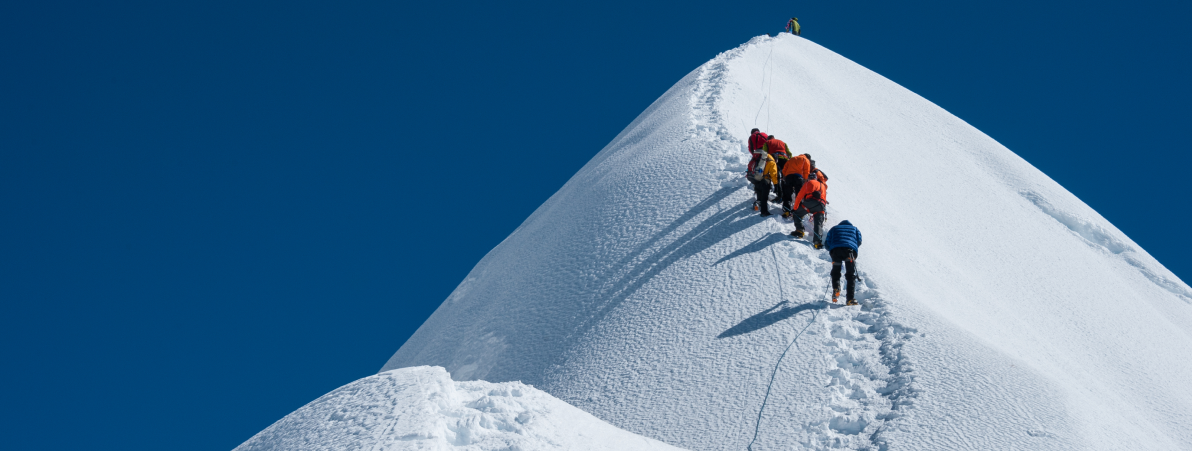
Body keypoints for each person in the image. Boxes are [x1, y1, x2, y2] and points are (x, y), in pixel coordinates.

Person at [824, 220, 862, 305]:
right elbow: (859, 240)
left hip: (836, 251)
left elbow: (827, 242)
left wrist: (831, 249)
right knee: (850, 274)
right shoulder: (855, 229)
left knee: (836, 271)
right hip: (850, 251)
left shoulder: (834, 228)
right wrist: (853, 247)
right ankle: (850, 299)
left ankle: (836, 287)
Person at [790, 172, 828, 247]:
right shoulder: (823, 186)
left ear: (809, 178)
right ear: (816, 178)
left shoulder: (808, 183)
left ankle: (799, 230)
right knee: (818, 223)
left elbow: (799, 196)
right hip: (821, 205)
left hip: (809, 203)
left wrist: (795, 209)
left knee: (797, 214)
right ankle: (818, 242)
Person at [763, 135, 791, 202]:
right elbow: (789, 153)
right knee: (785, 177)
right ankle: (787, 195)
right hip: (785, 159)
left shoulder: (767, 143)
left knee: (776, 177)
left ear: (768, 139)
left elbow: (764, 154)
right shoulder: (783, 142)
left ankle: (780, 195)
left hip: (775, 160)